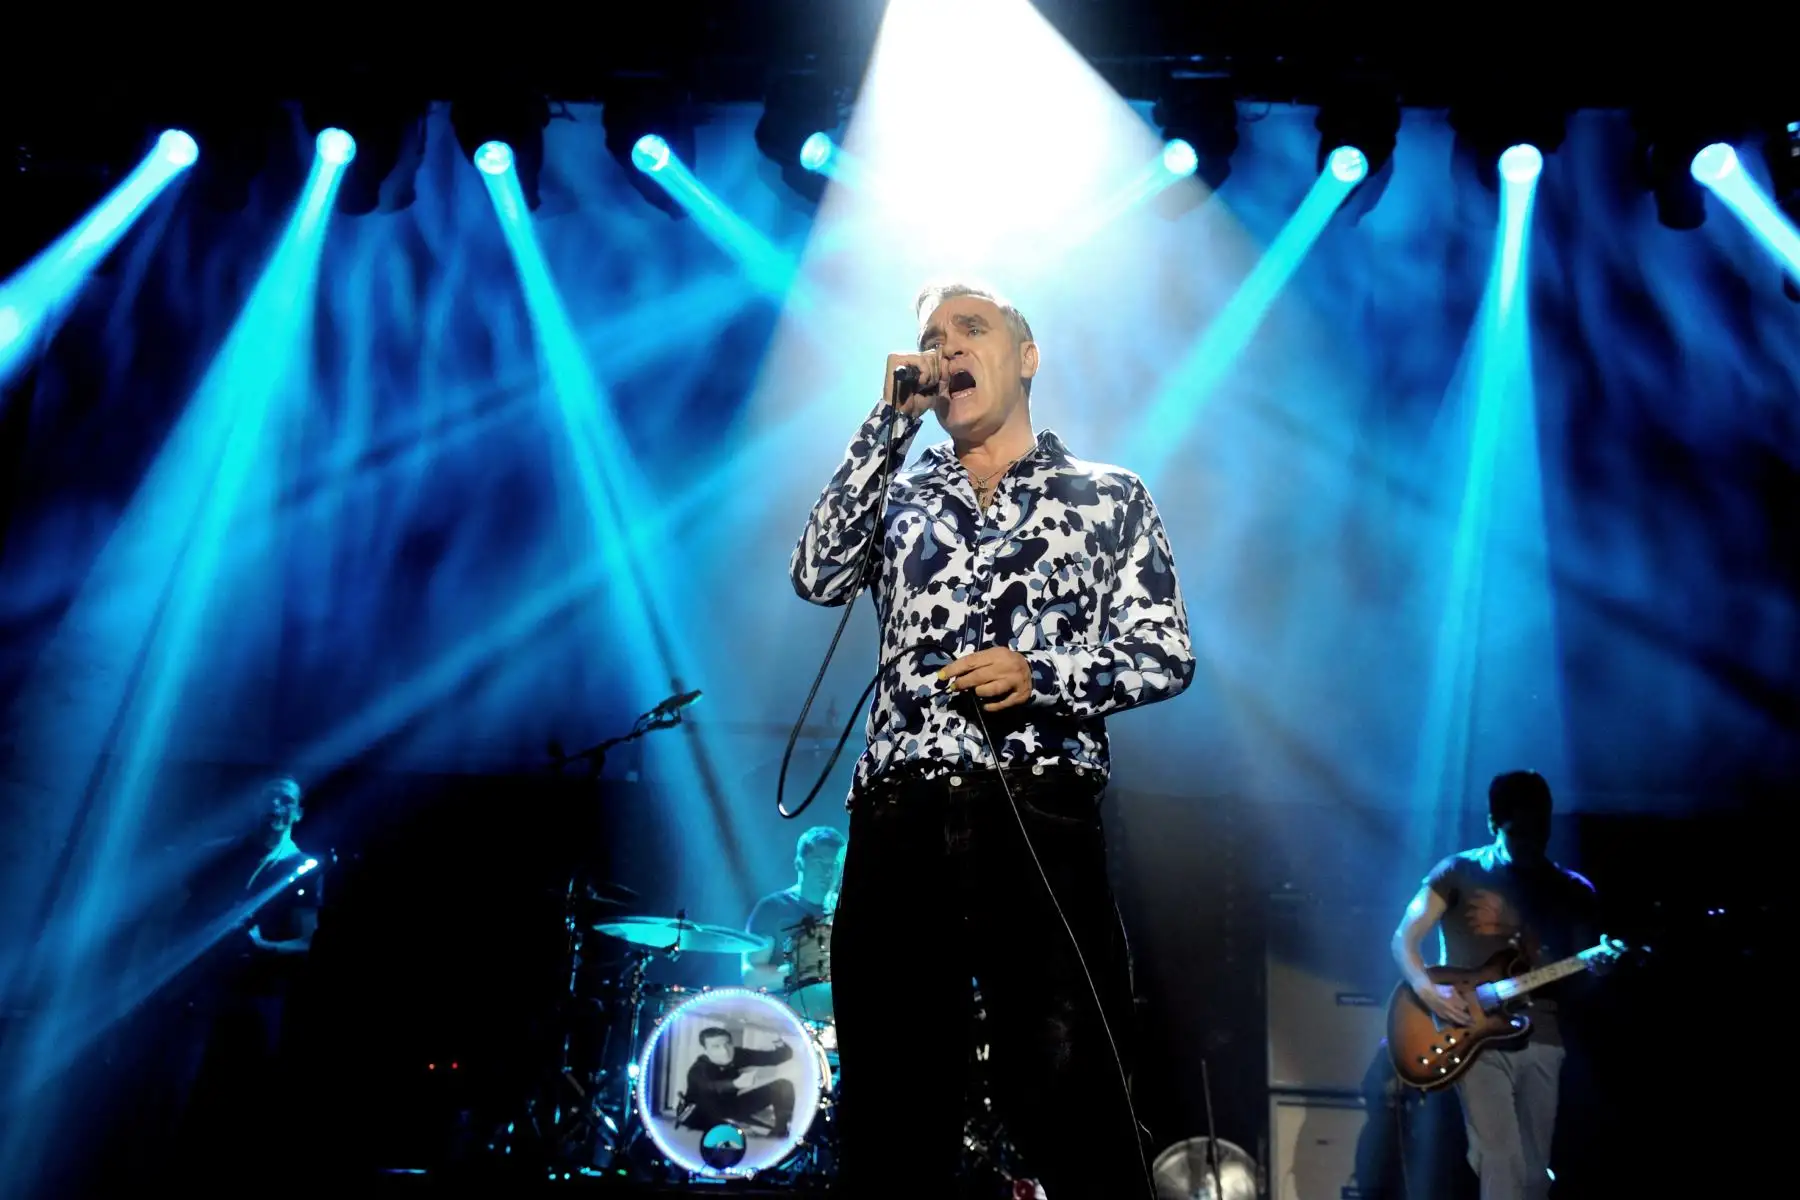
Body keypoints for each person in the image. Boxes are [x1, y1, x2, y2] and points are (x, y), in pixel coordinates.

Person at [789, 281, 1193, 1197]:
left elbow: (1165, 654)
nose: (946, 346)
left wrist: (1040, 677)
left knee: (1068, 1083)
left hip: (1037, 812)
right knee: (893, 1106)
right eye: (931, 336)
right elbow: (816, 574)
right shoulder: (897, 493)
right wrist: (883, 428)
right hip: (901, 816)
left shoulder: (1108, 496)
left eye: (971, 329)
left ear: (1027, 356)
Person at [1390, 770, 1599, 1200]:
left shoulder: (1573, 889)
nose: (1529, 843)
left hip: (1542, 1034)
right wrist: (1429, 991)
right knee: (1501, 1157)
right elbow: (1404, 938)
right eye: (1518, 831)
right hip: (1476, 1036)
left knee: (1534, 1173)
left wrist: (1600, 969)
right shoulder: (1458, 871)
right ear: (1493, 823)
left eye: (1538, 830)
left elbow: (1582, 976)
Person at [175, 776, 325, 1178]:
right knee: (183, 1093)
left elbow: (307, 942)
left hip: (259, 998)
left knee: (246, 1095)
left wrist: (266, 948)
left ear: (297, 812)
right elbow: (179, 919)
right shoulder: (222, 856)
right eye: (269, 798)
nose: (276, 805)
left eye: (285, 800)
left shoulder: (302, 868)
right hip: (206, 991)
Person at [742, 825, 844, 1002]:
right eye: (819, 862)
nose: (827, 872)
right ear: (799, 863)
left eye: (834, 866)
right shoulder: (772, 908)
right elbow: (751, 976)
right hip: (787, 1017)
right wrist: (802, 971)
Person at [682, 1027, 797, 1137]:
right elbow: (710, 1086)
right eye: (716, 1047)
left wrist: (776, 1039)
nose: (724, 1051)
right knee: (728, 1135)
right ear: (705, 1050)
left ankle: (780, 1131)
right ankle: (732, 1125)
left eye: (727, 1044)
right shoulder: (698, 1069)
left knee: (783, 1086)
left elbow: (780, 1057)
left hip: (731, 1107)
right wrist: (735, 1084)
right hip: (702, 1114)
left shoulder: (737, 1055)